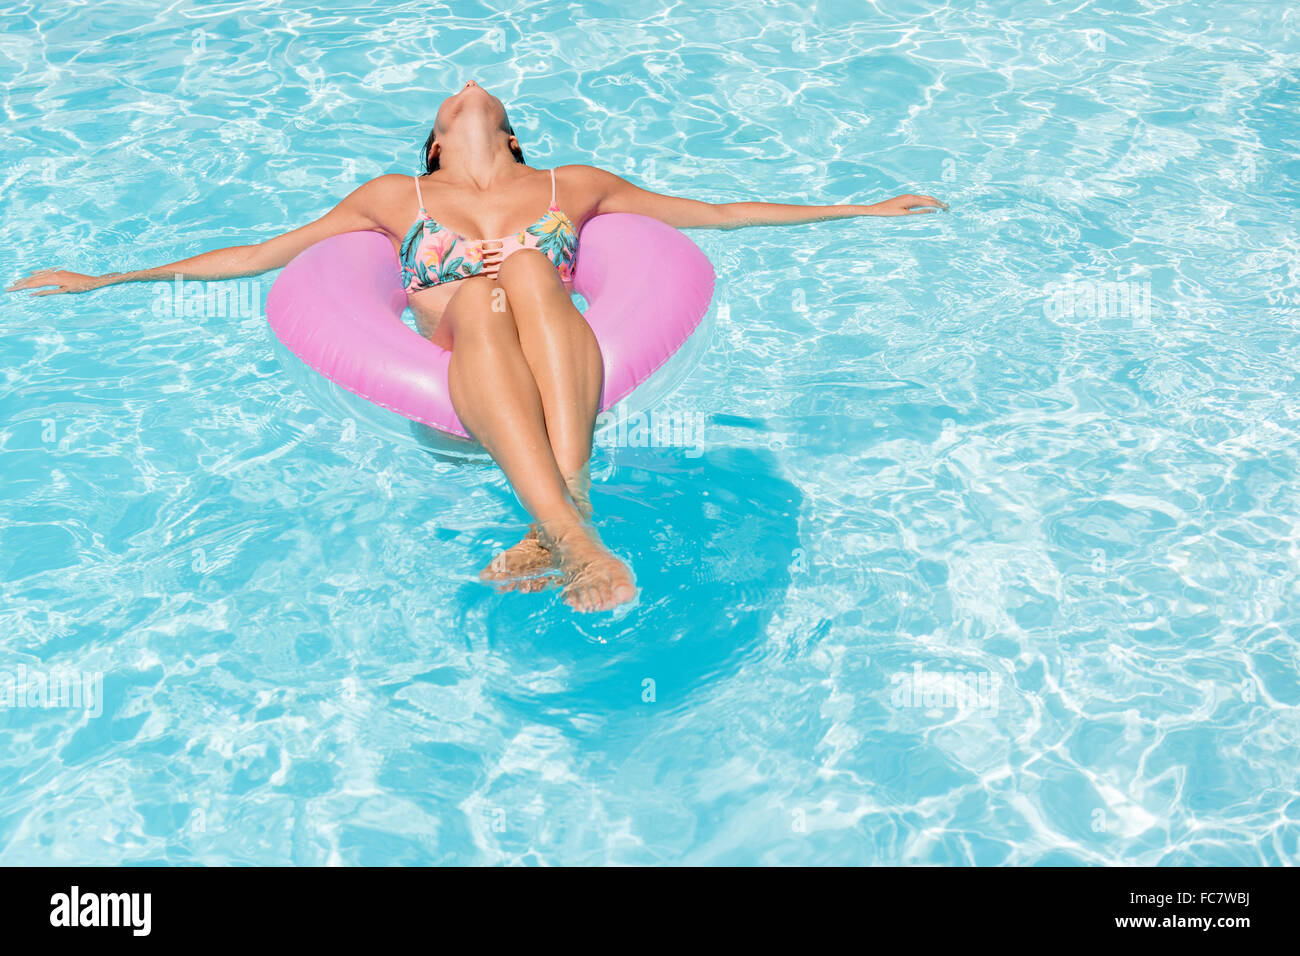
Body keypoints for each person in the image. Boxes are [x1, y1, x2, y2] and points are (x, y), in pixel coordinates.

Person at [7, 79, 948, 612]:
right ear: (433, 142)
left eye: (482, 96)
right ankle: (572, 524)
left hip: (557, 381)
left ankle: (566, 530)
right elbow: (261, 254)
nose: (465, 88)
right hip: (456, 405)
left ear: (503, 129)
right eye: (448, 102)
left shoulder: (571, 185)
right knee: (487, 293)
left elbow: (720, 213)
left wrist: (865, 208)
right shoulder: (393, 198)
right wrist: (106, 281)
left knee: (532, 276)